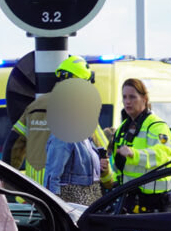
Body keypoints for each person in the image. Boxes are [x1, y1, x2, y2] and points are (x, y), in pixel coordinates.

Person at [8, 55, 111, 187]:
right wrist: (109, 183)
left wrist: (8, 183)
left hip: (34, 195)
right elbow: (101, 152)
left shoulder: (35, 107)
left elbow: (14, 145)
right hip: (65, 197)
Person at [111, 78, 171, 212]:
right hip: (129, 198)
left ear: (144, 99)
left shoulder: (156, 126)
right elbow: (119, 167)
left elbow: (164, 153)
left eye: (132, 97)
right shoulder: (122, 128)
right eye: (124, 97)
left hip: (155, 201)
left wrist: (133, 154)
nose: (127, 101)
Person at [44, 131, 104, 205]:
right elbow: (52, 174)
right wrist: (53, 202)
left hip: (90, 194)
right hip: (74, 196)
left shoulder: (86, 137)